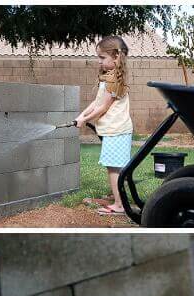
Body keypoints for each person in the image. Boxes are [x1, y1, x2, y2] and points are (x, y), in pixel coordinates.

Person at [76, 36, 133, 216]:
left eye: (102, 57)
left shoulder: (114, 78)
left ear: (116, 57)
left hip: (116, 131)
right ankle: (117, 197)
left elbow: (103, 107)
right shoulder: (110, 77)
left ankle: (119, 205)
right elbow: (97, 101)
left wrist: (85, 120)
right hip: (115, 130)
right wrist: (82, 115)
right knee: (115, 167)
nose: (98, 61)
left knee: (113, 167)